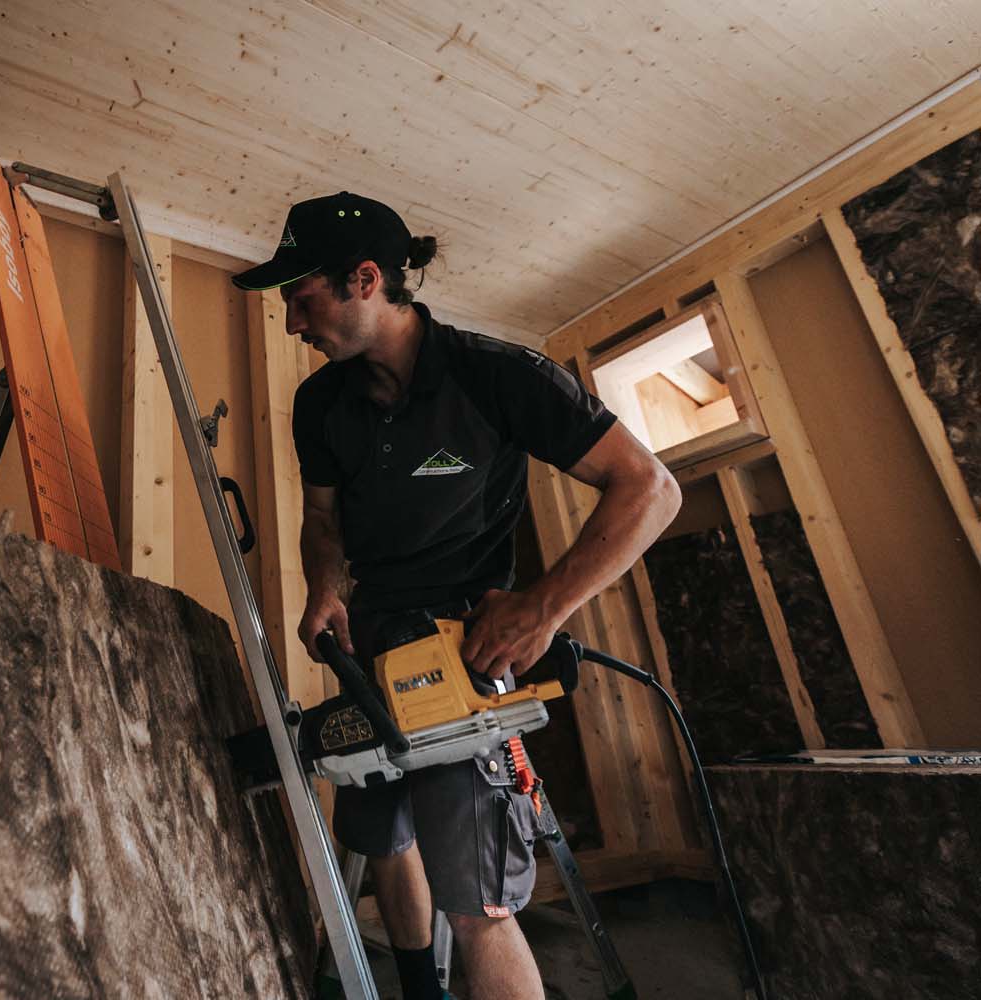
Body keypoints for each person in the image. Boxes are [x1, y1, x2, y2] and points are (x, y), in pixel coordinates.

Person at [230, 193, 681, 1000]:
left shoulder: (497, 376)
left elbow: (649, 488)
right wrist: (325, 592)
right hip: (365, 647)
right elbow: (323, 520)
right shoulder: (319, 402)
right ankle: (421, 989)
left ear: (365, 280)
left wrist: (543, 607)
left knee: (477, 902)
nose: (294, 322)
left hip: (463, 651)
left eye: (303, 299)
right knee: (379, 829)